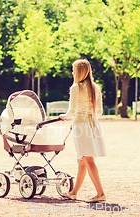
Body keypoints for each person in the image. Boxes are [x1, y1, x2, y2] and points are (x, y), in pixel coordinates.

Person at [58, 59, 106, 203]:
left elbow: (72, 110)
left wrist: (65, 117)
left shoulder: (76, 88)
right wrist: (89, 117)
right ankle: (73, 192)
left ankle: (100, 193)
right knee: (82, 160)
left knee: (87, 159)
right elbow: (100, 111)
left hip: (81, 127)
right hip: (93, 125)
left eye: (73, 69)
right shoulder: (96, 87)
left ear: (78, 71)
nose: (72, 72)